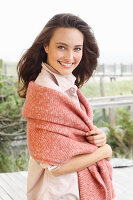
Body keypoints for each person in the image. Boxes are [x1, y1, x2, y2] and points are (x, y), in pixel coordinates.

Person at [17, 13, 116, 200]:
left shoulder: (64, 85)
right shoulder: (47, 93)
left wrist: (96, 138)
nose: (70, 56)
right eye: (61, 47)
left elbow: (73, 135)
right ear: (46, 46)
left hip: (72, 187)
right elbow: (55, 166)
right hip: (60, 192)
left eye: (77, 48)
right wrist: (103, 152)